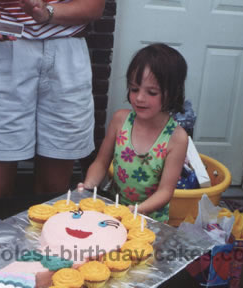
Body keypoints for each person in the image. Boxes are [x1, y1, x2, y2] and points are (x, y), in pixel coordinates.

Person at [0, 0, 105, 199]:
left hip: (66, 51)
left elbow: (94, 6)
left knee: (54, 190)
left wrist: (48, 12)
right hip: (5, 50)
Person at [78, 44, 189, 222]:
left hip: (150, 220)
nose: (139, 98)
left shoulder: (177, 138)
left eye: (151, 92)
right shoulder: (120, 120)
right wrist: (89, 186)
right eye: (134, 89)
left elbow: (165, 191)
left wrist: (137, 210)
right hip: (113, 210)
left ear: (173, 93)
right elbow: (101, 163)